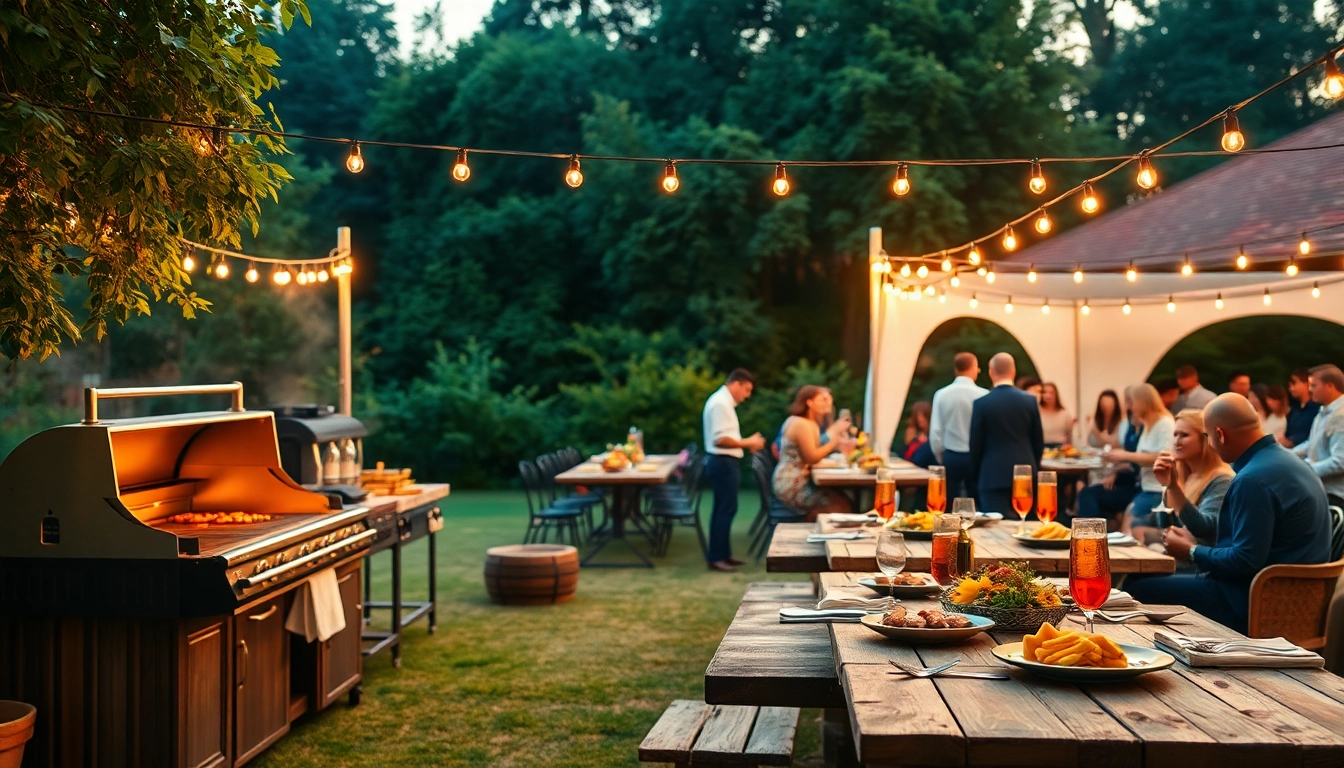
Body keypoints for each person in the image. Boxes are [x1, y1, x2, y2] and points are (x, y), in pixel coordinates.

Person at [1130, 394, 1331, 633]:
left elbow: (1245, 560)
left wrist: (1192, 551)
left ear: (1220, 434)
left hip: (1253, 601)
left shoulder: (1252, 480)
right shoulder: (1291, 463)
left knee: (1137, 587)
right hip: (1295, 601)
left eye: (1207, 436)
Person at [702, 369, 765, 573]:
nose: (747, 395)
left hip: (724, 462)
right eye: (746, 390)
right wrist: (748, 442)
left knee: (725, 509)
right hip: (723, 462)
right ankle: (716, 557)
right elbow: (719, 439)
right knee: (724, 509)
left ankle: (723, 554)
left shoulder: (723, 402)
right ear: (736, 384)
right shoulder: (721, 403)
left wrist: (745, 443)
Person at [968, 353, 1044, 514]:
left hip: (992, 474)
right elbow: (1038, 440)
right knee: (1024, 529)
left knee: (995, 530)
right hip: (1026, 473)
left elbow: (975, 444)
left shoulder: (982, 404)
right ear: (1013, 372)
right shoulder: (1029, 401)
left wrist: (977, 473)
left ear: (991, 372)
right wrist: (1033, 466)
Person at [1151, 409, 1234, 554]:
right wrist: (1167, 487)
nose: (1176, 441)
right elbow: (1165, 525)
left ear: (1204, 439)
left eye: (1184, 435)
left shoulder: (1222, 479)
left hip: (1202, 566)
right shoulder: (1187, 476)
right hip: (1179, 558)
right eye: (1175, 434)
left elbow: (1204, 529)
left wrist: (1173, 488)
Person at [1105, 383, 1174, 544]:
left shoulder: (1165, 424)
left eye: (1132, 401)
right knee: (1127, 522)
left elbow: (1163, 456)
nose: (1130, 406)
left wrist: (1126, 455)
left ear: (1143, 402)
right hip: (1146, 488)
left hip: (1159, 490)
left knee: (1129, 527)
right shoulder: (1148, 425)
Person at [773, 386, 854, 522]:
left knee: (843, 498)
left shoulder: (809, 423)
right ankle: (812, 528)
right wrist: (833, 443)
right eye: (823, 399)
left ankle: (816, 526)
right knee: (841, 504)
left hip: (797, 480)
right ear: (809, 402)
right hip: (791, 484)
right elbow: (812, 458)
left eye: (829, 399)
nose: (828, 402)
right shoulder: (801, 424)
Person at [1076, 386, 1142, 522]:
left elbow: (1130, 457)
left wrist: (1115, 471)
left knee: (1087, 494)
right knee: (1081, 488)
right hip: (1109, 471)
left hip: (1132, 482)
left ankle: (1091, 533)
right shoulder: (1131, 427)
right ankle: (1093, 530)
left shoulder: (1127, 425)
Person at [929, 352, 988, 500]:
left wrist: (940, 456)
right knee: (977, 501)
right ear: (974, 367)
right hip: (977, 456)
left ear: (956, 369)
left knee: (948, 502)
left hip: (951, 455)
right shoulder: (984, 395)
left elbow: (936, 431)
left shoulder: (941, 394)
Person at [1292, 364, 1344, 508]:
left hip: (1334, 498)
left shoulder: (1340, 416)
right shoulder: (1324, 412)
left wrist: (1307, 470)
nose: (1309, 390)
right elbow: (1311, 444)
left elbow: (1340, 461)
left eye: (1314, 386)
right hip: (1321, 492)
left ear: (1330, 386)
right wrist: (1285, 455)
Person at [1286, 369, 1321, 447]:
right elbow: (1287, 434)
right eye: (1290, 386)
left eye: (1294, 384)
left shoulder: (1317, 409)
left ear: (1306, 384)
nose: (1291, 389)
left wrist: (1292, 441)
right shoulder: (1294, 410)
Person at [1039, 382, 1074, 447]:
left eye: (1051, 393)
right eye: (1044, 392)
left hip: (1060, 447)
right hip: (1041, 446)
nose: (1048, 396)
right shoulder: (1037, 412)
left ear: (1056, 395)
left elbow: (1069, 433)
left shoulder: (1064, 414)